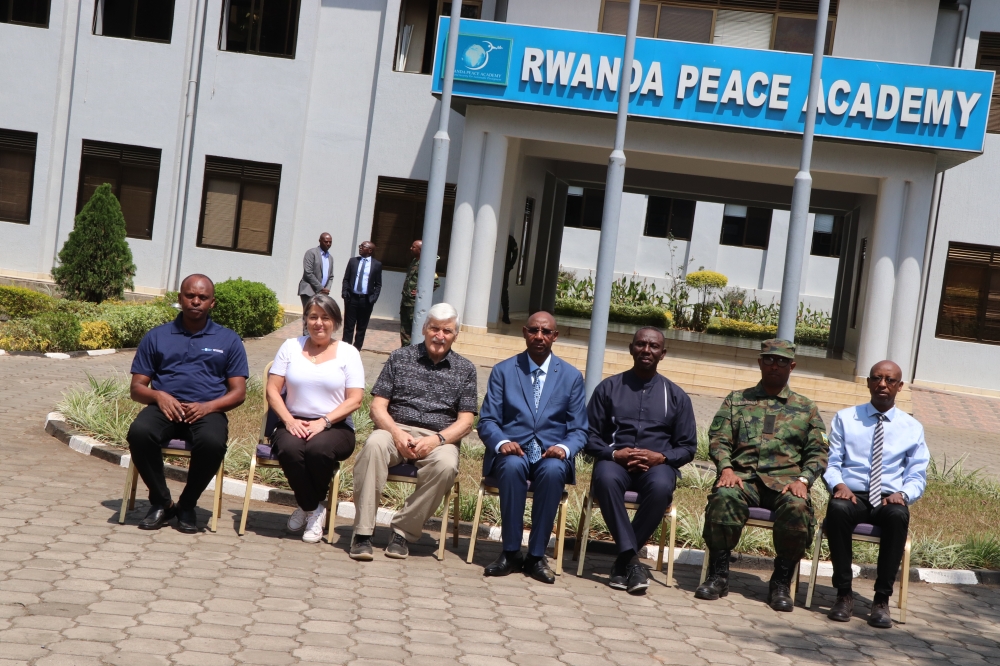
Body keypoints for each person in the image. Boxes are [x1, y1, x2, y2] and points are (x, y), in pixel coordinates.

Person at [695, 339, 828, 612]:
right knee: (724, 496)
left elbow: (818, 452)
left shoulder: (806, 408)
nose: (774, 366)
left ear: (792, 366)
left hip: (786, 484)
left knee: (797, 508)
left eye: (781, 361)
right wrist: (727, 468)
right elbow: (718, 439)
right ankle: (718, 575)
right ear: (759, 362)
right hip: (743, 479)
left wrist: (803, 480)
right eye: (769, 359)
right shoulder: (737, 400)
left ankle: (780, 582)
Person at [349, 302, 478, 560]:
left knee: (446, 465)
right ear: (424, 328)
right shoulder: (400, 357)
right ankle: (363, 533)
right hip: (394, 430)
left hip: (438, 439)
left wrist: (437, 440)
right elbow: (377, 407)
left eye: (447, 331)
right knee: (374, 445)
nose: (440, 336)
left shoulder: (466, 370)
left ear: (456, 335)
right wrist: (396, 433)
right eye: (434, 329)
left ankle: (403, 532)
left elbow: (466, 421)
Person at [125, 274, 248, 533]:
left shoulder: (228, 340)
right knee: (139, 433)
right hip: (164, 408)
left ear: (212, 303)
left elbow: (238, 393)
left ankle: (187, 505)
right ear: (179, 298)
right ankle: (161, 502)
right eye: (190, 296)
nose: (195, 301)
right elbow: (136, 388)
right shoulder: (157, 336)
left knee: (213, 443)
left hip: (206, 411)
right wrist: (159, 396)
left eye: (202, 297)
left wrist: (209, 407)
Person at [477, 311, 587, 584]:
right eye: (534, 330)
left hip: (551, 453)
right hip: (514, 451)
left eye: (546, 332)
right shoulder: (504, 371)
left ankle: (537, 556)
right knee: (512, 465)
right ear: (525, 332)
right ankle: (511, 552)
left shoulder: (571, 376)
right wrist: (502, 443)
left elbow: (579, 429)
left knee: (552, 472)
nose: (539, 336)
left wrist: (564, 447)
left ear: (555, 336)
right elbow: (488, 420)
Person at [586, 327, 698, 593]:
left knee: (661, 488)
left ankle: (623, 560)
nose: (646, 350)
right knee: (605, 478)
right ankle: (633, 562)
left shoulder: (676, 396)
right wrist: (614, 453)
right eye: (640, 344)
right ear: (631, 348)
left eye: (653, 346)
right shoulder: (608, 388)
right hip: (615, 462)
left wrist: (661, 457)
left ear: (663, 354)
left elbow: (687, 447)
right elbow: (588, 436)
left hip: (656, 466)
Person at [823, 360, 929, 629]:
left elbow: (917, 475)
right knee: (836, 509)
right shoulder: (846, 418)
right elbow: (832, 463)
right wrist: (839, 485)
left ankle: (882, 600)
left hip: (888, 498)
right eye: (877, 378)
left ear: (900, 386)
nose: (883, 384)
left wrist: (903, 494)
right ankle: (844, 594)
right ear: (868, 382)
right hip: (853, 494)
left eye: (890, 380)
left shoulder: (911, 427)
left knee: (898, 515)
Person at [266, 295, 365, 543]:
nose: (318, 323)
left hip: (335, 425)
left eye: (325, 317)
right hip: (293, 421)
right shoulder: (290, 346)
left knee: (318, 450)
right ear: (305, 320)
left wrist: (324, 422)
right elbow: (272, 390)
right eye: (313, 317)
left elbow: (355, 400)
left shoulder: (349, 353)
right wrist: (289, 421)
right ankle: (315, 508)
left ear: (336, 322)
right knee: (289, 449)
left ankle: (305, 506)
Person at [341, 241, 383, 350]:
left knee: (361, 328)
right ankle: (346, 349)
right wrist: (345, 294)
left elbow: (378, 284)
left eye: (363, 246)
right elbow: (346, 279)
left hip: (366, 301)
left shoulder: (377, 264)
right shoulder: (353, 261)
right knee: (348, 327)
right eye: (360, 246)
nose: (360, 248)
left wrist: (373, 299)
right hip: (352, 299)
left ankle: (356, 350)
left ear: (370, 250)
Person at [399, 240, 439, 346]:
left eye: (413, 247)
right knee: (404, 331)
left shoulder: (426, 264)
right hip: (406, 303)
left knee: (416, 330)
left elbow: (436, 282)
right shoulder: (413, 261)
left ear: (420, 250)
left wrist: (420, 292)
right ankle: (405, 353)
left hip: (414, 305)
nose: (410, 248)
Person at [298, 233, 334, 312]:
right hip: (309, 290)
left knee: (318, 315)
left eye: (330, 242)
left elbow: (331, 276)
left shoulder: (330, 258)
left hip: (321, 293)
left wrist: (327, 289)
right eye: (326, 241)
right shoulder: (311, 253)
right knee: (309, 315)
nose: (328, 244)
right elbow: (308, 273)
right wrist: (321, 288)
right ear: (320, 241)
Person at [500, 235, 518, 325]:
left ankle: (505, 314)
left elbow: (515, 252)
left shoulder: (509, 239)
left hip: (505, 269)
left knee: (504, 291)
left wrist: (510, 265)